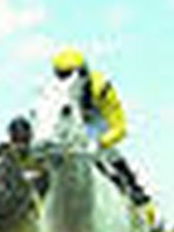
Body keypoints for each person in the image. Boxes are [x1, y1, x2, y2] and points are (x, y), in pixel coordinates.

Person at [50, 48, 150, 207]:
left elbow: (120, 127)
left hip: (97, 122)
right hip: (72, 125)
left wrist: (100, 143)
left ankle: (132, 189)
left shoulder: (101, 88)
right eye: (61, 76)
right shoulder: (55, 93)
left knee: (106, 152)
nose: (66, 82)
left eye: (69, 75)